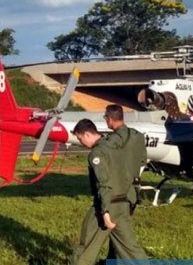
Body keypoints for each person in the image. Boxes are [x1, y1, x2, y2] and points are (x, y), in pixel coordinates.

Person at [70, 119, 147, 265]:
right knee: (131, 250)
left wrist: (105, 212)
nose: (81, 143)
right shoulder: (116, 146)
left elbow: (103, 184)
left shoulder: (97, 153)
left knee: (86, 247)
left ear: (87, 134)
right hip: (124, 204)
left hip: (107, 206)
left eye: (80, 138)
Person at [103, 104, 147, 210]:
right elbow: (143, 161)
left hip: (116, 192)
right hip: (132, 191)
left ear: (109, 119)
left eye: (105, 117)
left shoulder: (111, 140)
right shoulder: (139, 136)